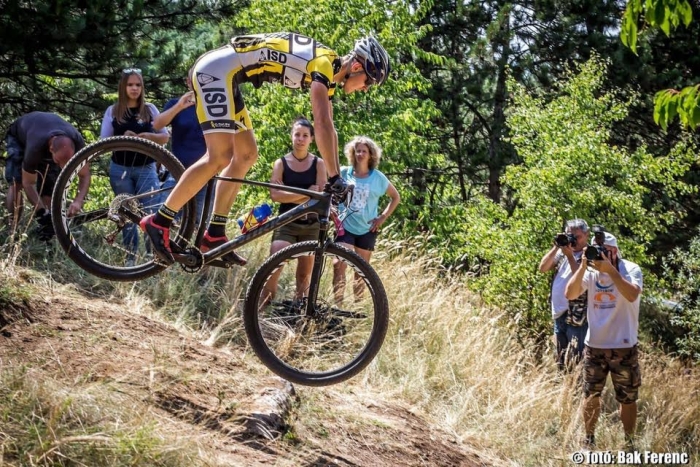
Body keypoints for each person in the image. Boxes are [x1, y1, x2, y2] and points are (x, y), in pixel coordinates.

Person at [139, 33, 391, 266]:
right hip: (216, 71)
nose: (366, 88)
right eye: (369, 81)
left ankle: (214, 233)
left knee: (247, 154)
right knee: (219, 157)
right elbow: (321, 124)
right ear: (357, 67)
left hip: (229, 75)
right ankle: (160, 220)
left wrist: (336, 177)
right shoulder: (324, 65)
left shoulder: (330, 72)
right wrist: (335, 178)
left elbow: (331, 130)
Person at [565, 232, 643, 449]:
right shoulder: (590, 273)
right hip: (595, 346)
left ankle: (629, 443)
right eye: (594, 249)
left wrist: (611, 270)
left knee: (627, 398)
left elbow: (632, 294)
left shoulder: (630, 269)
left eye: (602, 249)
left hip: (623, 346)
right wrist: (582, 267)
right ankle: (589, 439)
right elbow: (570, 294)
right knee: (590, 394)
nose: (597, 254)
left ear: (614, 251)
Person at [100, 68, 169, 263]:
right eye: (130, 85)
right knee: (127, 212)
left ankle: (152, 256)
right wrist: (123, 138)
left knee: (151, 213)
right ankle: (130, 258)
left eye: (138, 85)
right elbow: (103, 141)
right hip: (120, 168)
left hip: (147, 168)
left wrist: (147, 137)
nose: (134, 88)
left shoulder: (150, 109)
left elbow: (164, 137)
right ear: (123, 87)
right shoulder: (113, 111)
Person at [261, 117, 327, 303]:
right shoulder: (280, 163)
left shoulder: (319, 164)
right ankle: (262, 307)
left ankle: (299, 313)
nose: (300, 139)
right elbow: (275, 195)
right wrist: (307, 194)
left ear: (311, 139)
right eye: (297, 134)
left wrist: (290, 192)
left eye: (305, 135)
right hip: (286, 222)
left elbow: (321, 196)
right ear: (291, 136)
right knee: (275, 260)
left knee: (305, 274)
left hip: (311, 224)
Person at [333, 136, 400, 302]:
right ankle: (338, 306)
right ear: (352, 153)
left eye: (364, 151)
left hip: (367, 229)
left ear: (371, 155)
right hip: (345, 226)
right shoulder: (343, 172)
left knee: (360, 271)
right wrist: (332, 211)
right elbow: (330, 192)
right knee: (338, 264)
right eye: (358, 150)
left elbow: (395, 197)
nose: (360, 154)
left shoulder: (378, 177)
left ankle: (357, 307)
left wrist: (382, 218)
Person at [4, 111, 89, 240]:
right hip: (20, 137)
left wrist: (78, 200)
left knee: (49, 189)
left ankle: (48, 233)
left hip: (47, 135)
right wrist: (41, 212)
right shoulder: (35, 148)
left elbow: (85, 175)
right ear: (51, 150)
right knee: (17, 182)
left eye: (68, 163)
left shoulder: (78, 144)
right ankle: (12, 230)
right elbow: (29, 183)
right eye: (60, 162)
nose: (63, 167)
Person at [153, 72, 211, 224]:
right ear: (188, 82)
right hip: (177, 171)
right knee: (162, 217)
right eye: (194, 79)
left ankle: (185, 248)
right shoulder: (175, 104)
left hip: (205, 174)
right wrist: (180, 106)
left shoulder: (212, 106)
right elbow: (157, 124)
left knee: (197, 222)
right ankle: (154, 247)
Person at [538, 219, 590, 371]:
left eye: (578, 236)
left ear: (586, 235)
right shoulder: (562, 252)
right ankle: (564, 391)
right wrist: (556, 246)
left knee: (575, 360)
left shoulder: (590, 255)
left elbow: (581, 281)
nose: (574, 240)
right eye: (570, 236)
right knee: (561, 360)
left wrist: (569, 256)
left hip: (576, 316)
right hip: (559, 313)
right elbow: (543, 268)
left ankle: (576, 392)